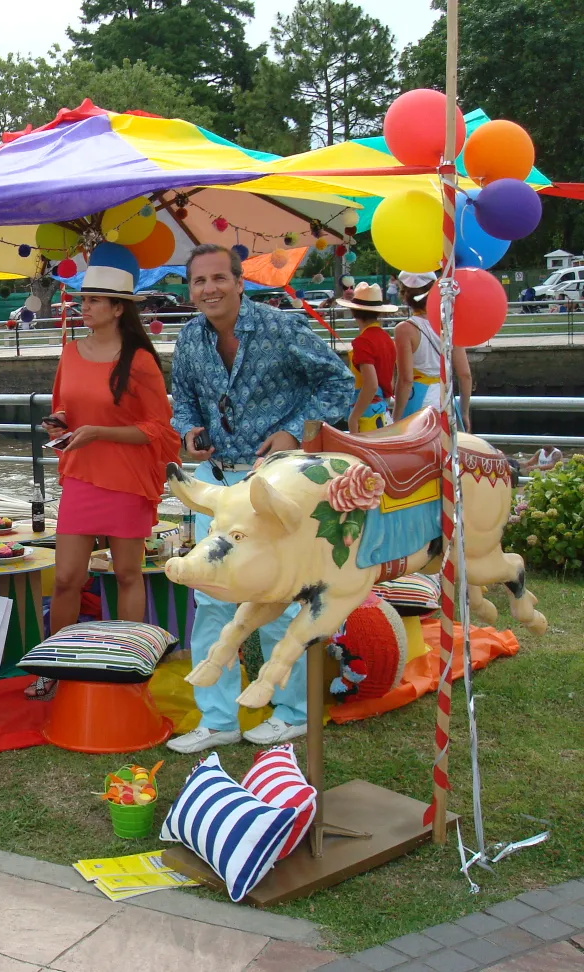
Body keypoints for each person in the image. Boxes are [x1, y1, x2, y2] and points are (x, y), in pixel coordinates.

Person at [170, 243, 355, 754]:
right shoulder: (188, 339)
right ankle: (219, 717)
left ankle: (294, 711)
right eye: (198, 281)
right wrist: (189, 429)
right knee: (211, 597)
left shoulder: (280, 326)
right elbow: (182, 399)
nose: (209, 289)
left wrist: (295, 431)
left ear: (239, 281)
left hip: (277, 485)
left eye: (218, 279)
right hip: (217, 483)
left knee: (281, 594)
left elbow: (341, 384)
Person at [34, 243, 180, 700]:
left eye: (94, 300)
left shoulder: (138, 360)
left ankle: (128, 665)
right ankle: (55, 665)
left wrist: (99, 432)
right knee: (65, 577)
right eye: (84, 298)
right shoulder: (71, 351)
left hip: (126, 480)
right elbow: (64, 408)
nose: (85, 305)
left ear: (118, 309)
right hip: (81, 475)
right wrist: (59, 423)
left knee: (127, 576)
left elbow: (159, 430)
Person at [391, 272, 473, 430]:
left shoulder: (405, 329)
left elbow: (406, 379)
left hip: (419, 401)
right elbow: (465, 375)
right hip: (446, 400)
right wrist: (464, 413)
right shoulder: (449, 325)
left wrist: (396, 417)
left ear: (405, 296)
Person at [339, 283, 398, 433]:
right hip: (383, 410)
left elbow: (371, 384)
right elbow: (390, 379)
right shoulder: (387, 339)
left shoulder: (363, 341)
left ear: (354, 312)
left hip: (366, 414)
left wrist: (354, 417)